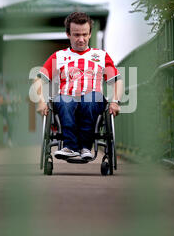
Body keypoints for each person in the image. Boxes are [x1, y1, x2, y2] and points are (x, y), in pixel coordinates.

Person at [32, 12, 123, 161]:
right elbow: (38, 79)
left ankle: (85, 148)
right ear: (68, 34)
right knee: (65, 100)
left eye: (85, 34)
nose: (81, 39)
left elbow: (117, 80)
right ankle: (70, 147)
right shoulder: (59, 56)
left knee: (90, 98)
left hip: (93, 98)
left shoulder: (101, 56)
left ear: (90, 34)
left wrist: (115, 101)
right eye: (76, 35)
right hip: (66, 98)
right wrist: (40, 101)